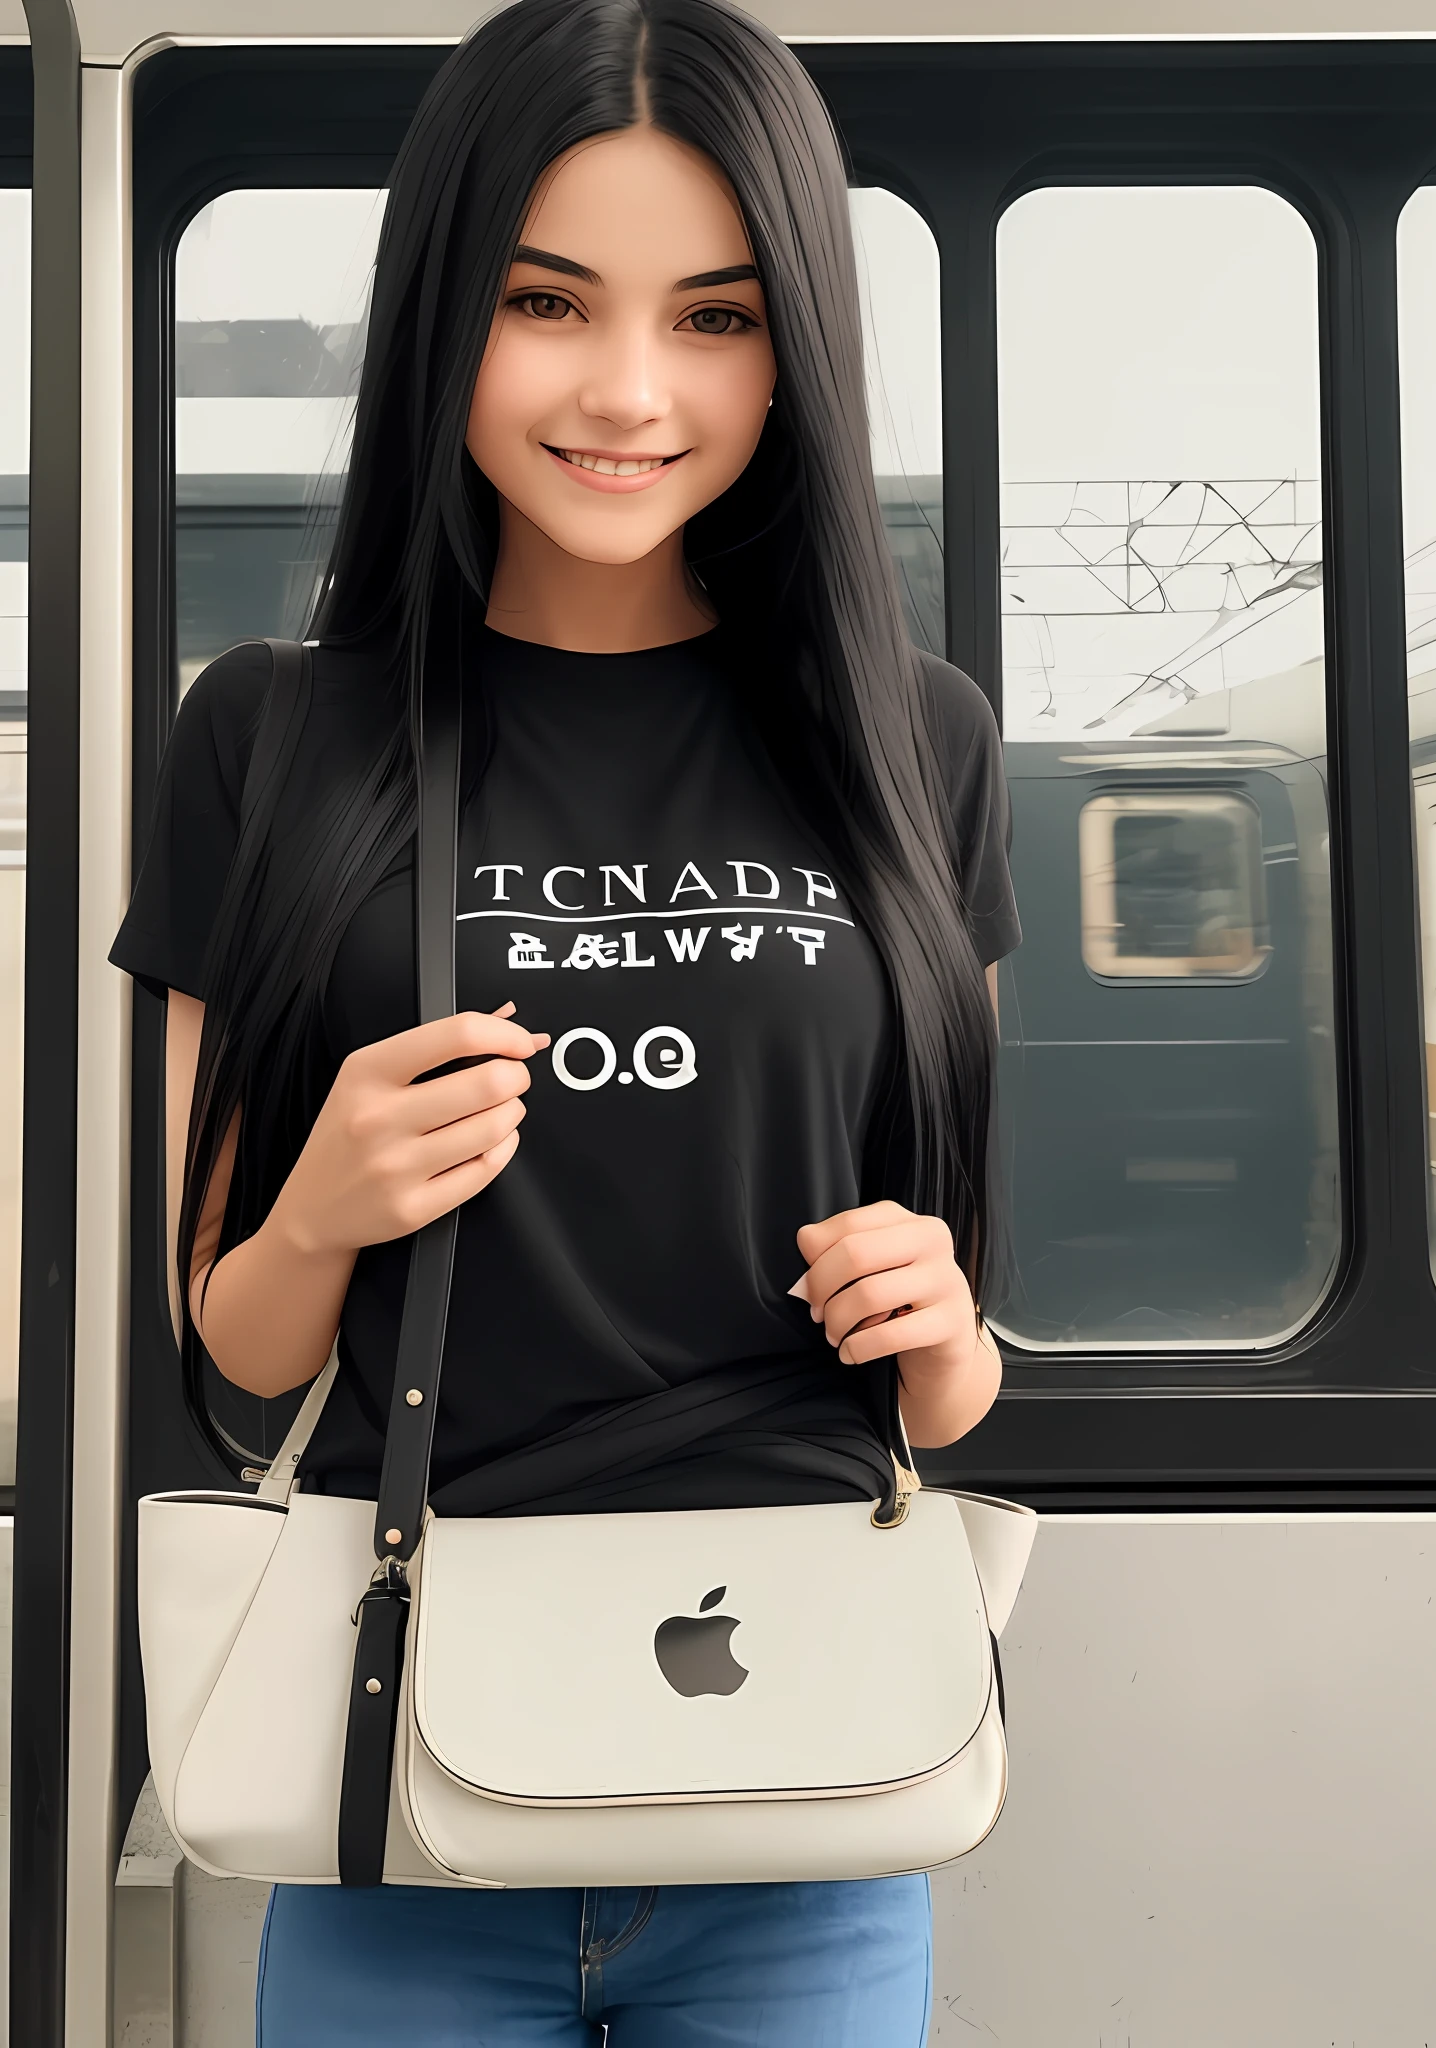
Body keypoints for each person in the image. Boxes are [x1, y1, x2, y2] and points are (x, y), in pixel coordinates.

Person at [111, 0, 1021, 2040]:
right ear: (445, 307)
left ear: (796, 348)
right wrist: (329, 1202)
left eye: (714, 316)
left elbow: (961, 1391)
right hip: (405, 1763)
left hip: (807, 1786)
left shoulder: (914, 745)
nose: (629, 390)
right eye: (548, 300)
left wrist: (941, 1316)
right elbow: (230, 1358)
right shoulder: (269, 738)